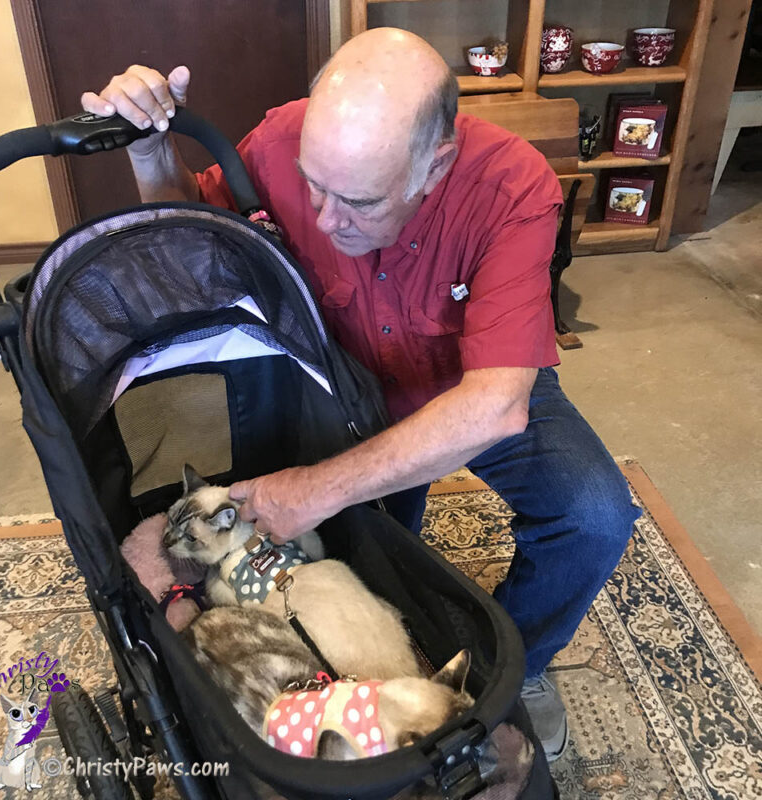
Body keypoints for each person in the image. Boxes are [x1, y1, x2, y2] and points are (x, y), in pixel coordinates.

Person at [82, 27, 640, 761]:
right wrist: (150, 146)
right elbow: (197, 244)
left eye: (358, 200)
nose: (321, 217)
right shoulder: (283, 136)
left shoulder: (513, 186)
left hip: (463, 387)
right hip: (339, 384)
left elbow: (497, 403)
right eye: (312, 184)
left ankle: (516, 667)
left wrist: (318, 488)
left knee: (594, 517)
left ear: (434, 164)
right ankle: (381, 688)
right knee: (369, 564)